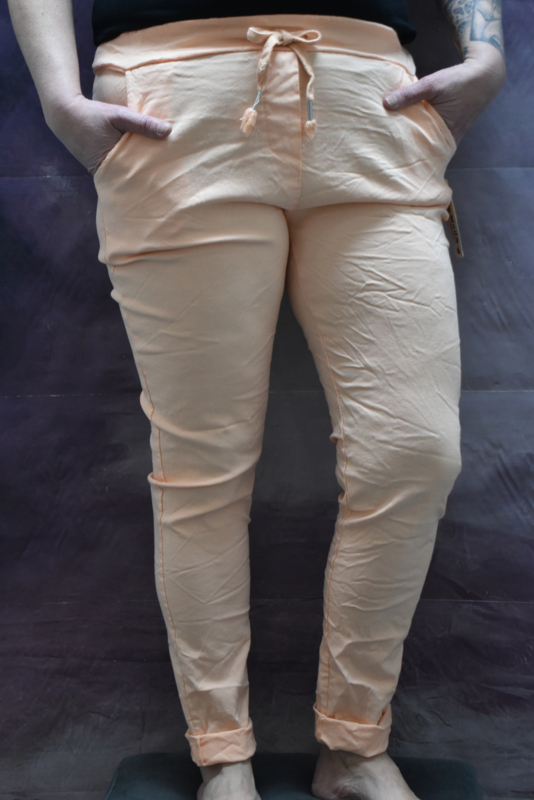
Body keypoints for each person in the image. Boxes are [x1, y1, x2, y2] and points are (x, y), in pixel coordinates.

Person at [7, 1, 505, 799]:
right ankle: (222, 757)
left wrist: (487, 51)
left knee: (414, 453)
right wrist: (58, 98)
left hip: (372, 104)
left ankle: (354, 746)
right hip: (173, 103)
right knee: (200, 467)